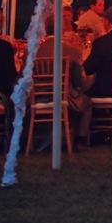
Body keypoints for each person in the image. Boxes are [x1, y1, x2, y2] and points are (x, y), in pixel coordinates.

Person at [40, 10, 94, 142]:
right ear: (62, 29)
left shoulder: (32, 50)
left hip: (37, 99)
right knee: (87, 102)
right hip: (63, 98)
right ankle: (80, 139)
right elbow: (79, 81)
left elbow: (22, 78)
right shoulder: (72, 51)